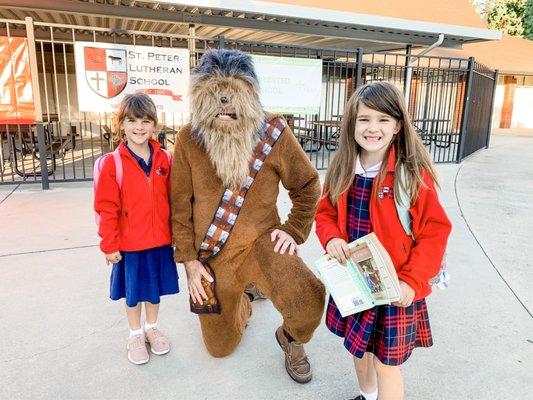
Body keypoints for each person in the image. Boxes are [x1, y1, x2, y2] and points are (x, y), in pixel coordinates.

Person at [170, 49, 325, 384]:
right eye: (215, 93)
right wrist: (190, 262)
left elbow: (308, 185)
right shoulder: (187, 139)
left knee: (307, 299)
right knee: (219, 347)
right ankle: (244, 300)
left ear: (251, 95)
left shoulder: (274, 132)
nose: (225, 102)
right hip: (212, 256)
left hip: (261, 243)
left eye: (235, 92)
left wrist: (294, 229)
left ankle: (291, 340)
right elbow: (179, 205)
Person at [315, 82, 451, 400]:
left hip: (394, 288)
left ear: (398, 126)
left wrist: (411, 282)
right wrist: (331, 238)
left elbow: (435, 231)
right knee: (358, 350)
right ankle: (368, 395)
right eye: (364, 119)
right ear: (352, 123)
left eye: (383, 120)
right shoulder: (341, 168)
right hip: (353, 280)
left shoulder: (411, 174)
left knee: (387, 364)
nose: (372, 128)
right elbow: (325, 214)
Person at [94, 93, 179, 365]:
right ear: (121, 124)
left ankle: (152, 328)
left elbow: (175, 200)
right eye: (132, 121)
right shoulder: (112, 163)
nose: (139, 127)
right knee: (133, 294)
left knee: (153, 291)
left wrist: (177, 236)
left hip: (160, 242)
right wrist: (109, 244)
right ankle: (134, 333)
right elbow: (106, 208)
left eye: (145, 121)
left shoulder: (166, 159)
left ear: (155, 125)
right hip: (130, 244)